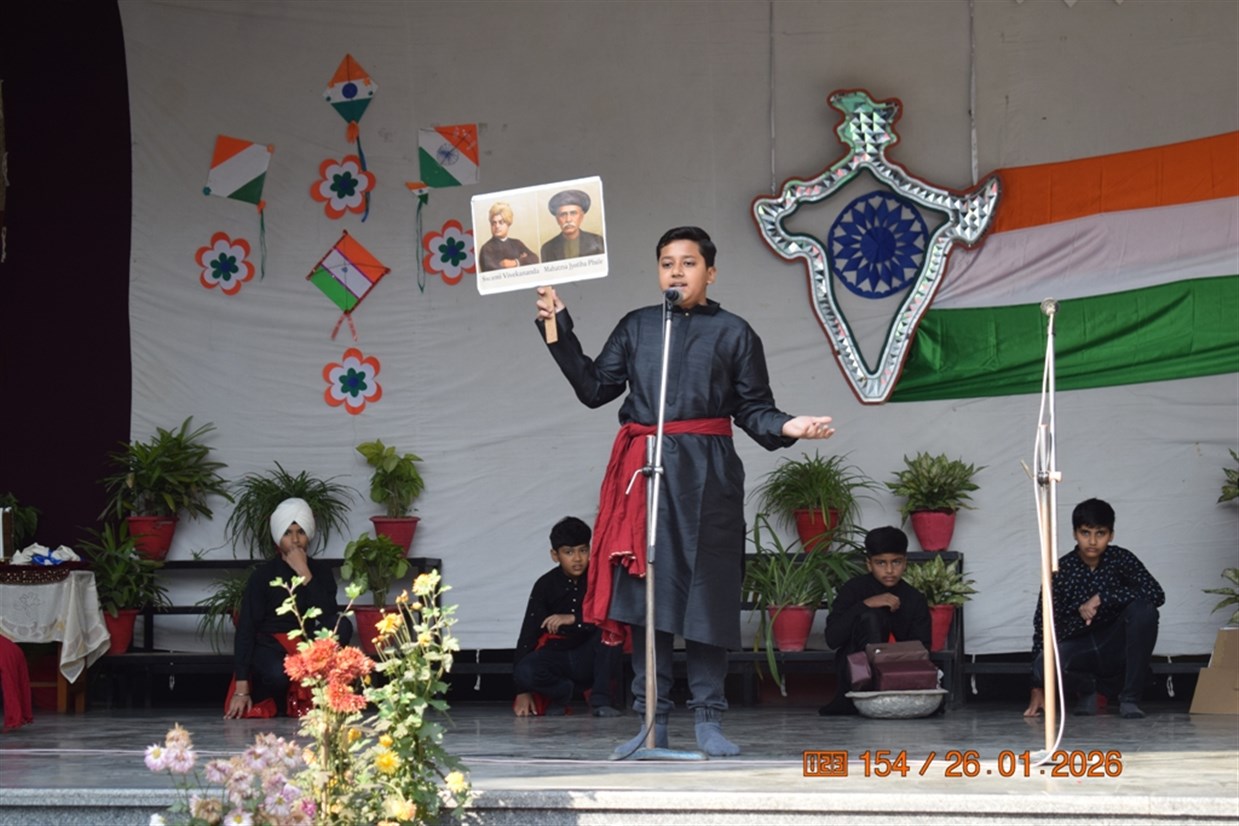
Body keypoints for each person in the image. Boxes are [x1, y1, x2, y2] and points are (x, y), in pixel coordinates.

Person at [533, 225, 835, 757]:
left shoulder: (734, 332)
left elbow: (754, 408)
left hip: (708, 474)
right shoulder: (638, 326)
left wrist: (788, 426)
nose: (676, 271)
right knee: (647, 596)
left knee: (706, 596)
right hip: (645, 472)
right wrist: (558, 327)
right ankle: (651, 720)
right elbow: (595, 389)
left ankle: (709, 719)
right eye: (667, 263)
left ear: (710, 272)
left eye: (688, 263)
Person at [1024, 498, 1164, 720]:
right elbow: (1043, 626)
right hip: (1080, 648)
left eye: (1100, 533)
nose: (1092, 541)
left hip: (1114, 645)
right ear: (1075, 534)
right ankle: (1089, 689)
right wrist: (1037, 687)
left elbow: (1156, 593)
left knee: (1144, 611)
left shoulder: (1121, 559)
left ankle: (1129, 698)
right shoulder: (1061, 570)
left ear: (1111, 535)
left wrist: (1102, 598)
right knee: (1044, 663)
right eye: (1085, 533)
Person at [225, 497, 351, 719]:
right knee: (278, 673)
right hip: (271, 646)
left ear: (308, 534)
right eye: (287, 533)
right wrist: (242, 688)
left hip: (307, 645)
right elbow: (246, 627)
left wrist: (305, 573)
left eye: (300, 532)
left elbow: (327, 614)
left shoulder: (320, 572)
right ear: (278, 537)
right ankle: (281, 700)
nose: (295, 540)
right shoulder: (262, 575)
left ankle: (312, 690)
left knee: (342, 625)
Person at [512, 516, 623, 718]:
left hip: (590, 655)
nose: (577, 559)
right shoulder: (545, 585)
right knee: (525, 671)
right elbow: (528, 634)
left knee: (610, 631)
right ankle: (563, 693)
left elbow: (606, 616)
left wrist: (574, 619)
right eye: (569, 552)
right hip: (559, 655)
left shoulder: (599, 579)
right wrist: (522, 691)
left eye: (583, 550)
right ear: (555, 555)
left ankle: (601, 701)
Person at [820, 526, 931, 716]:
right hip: (856, 676)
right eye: (881, 563)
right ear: (869, 564)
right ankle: (865, 691)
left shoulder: (914, 599)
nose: (889, 570)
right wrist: (866, 604)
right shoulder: (853, 590)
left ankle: (885, 689)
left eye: (896, 562)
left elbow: (923, 649)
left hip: (899, 675)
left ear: (905, 563)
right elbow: (832, 639)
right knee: (872, 618)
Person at [540, 189, 605, 262]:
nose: (568, 219)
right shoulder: (547, 249)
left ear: (581, 216)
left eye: (573, 213)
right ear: (557, 219)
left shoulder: (597, 241)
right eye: (563, 214)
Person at [479, 201, 540, 272]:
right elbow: (492, 271)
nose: (497, 226)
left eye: (501, 222)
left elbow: (535, 259)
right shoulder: (486, 249)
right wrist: (522, 262)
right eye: (494, 223)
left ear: (508, 223)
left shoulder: (516, 243)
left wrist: (515, 262)